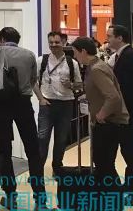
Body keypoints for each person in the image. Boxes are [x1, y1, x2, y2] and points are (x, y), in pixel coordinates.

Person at [0, 27, 47, 210]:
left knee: (4, 151)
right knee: (33, 150)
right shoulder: (29, 55)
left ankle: (11, 195)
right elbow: (33, 79)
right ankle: (40, 198)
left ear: (1, 38)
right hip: (23, 103)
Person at [72, 37, 129, 188]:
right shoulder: (96, 66)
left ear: (83, 51)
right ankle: (111, 196)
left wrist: (101, 114)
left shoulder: (97, 69)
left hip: (108, 123)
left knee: (104, 165)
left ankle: (113, 197)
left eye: (75, 52)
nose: (75, 56)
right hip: (108, 123)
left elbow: (113, 97)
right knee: (104, 164)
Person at [33, 31, 82, 175]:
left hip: (66, 104)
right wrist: (41, 99)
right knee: (42, 138)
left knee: (61, 139)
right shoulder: (41, 61)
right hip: (47, 105)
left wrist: (71, 85)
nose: (54, 45)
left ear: (64, 43)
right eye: (51, 42)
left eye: (57, 42)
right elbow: (33, 81)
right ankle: (37, 171)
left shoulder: (72, 63)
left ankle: (57, 168)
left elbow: (79, 84)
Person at [106, 25, 133, 198]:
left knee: (131, 151)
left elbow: (130, 89)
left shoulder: (130, 57)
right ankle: (132, 186)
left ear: (120, 38)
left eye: (110, 36)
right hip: (127, 113)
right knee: (129, 150)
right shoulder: (122, 56)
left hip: (129, 114)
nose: (107, 39)